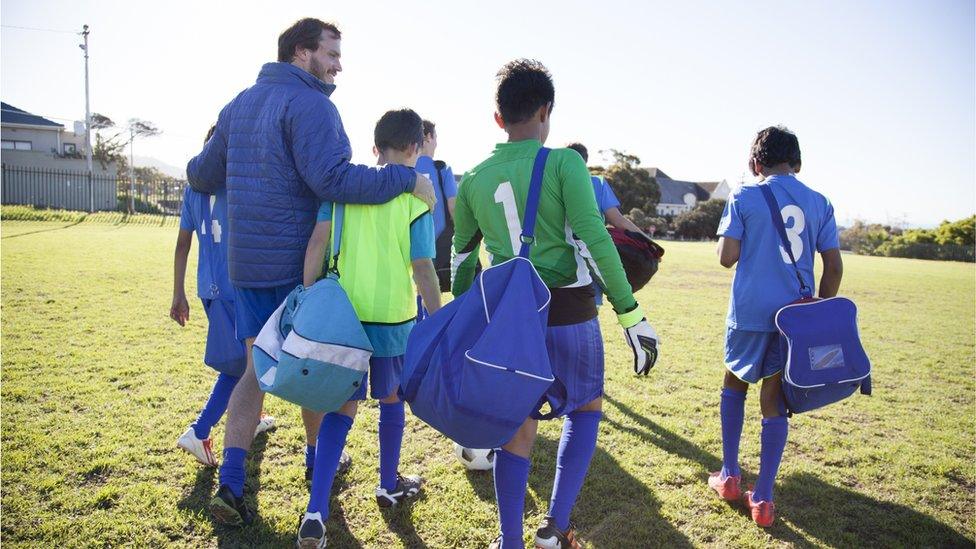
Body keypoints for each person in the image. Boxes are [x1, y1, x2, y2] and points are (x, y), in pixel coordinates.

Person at [185, 18, 436, 526]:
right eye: (332, 53)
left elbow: (201, 174)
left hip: (245, 265)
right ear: (302, 53)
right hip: (293, 263)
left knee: (255, 372)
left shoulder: (237, 105)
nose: (339, 64)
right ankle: (313, 460)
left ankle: (232, 483)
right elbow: (333, 178)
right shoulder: (313, 105)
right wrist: (406, 178)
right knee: (317, 363)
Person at [451, 59, 660, 549]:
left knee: (515, 427)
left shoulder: (475, 176)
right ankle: (555, 527)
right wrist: (630, 313)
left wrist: (466, 317)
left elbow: (461, 257)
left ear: (497, 117)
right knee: (585, 409)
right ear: (546, 111)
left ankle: (509, 540)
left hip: (506, 319)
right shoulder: (566, 162)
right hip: (570, 312)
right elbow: (595, 239)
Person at [296, 108, 441, 547]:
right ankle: (388, 482)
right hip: (393, 320)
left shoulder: (340, 190)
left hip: (342, 317)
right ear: (416, 148)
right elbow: (423, 268)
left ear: (375, 148)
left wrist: (307, 297)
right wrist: (438, 318)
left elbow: (317, 243)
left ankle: (316, 508)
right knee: (392, 398)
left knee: (341, 409)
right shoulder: (416, 199)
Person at [708, 126, 842, 527]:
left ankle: (730, 476)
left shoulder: (744, 194)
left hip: (749, 312)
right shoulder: (820, 202)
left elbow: (726, 257)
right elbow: (833, 265)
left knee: (734, 382)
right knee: (774, 398)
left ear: (754, 163)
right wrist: (819, 311)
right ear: (797, 164)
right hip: (794, 318)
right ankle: (763, 499)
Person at [171, 127, 275, 468]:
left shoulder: (193, 189)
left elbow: (183, 244)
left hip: (209, 289)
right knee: (241, 368)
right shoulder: (237, 184)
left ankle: (253, 419)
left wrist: (178, 293)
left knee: (250, 359)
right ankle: (199, 431)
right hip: (238, 288)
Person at [565, 142, 659, 306]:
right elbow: (618, 221)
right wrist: (649, 244)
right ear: (585, 161)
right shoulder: (597, 183)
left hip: (558, 257)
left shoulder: (552, 182)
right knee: (588, 313)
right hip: (591, 258)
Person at [415, 120, 459, 290]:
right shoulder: (442, 168)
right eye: (435, 137)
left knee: (418, 289)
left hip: (411, 240)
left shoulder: (405, 169)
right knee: (433, 289)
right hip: (438, 241)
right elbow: (453, 206)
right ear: (428, 137)